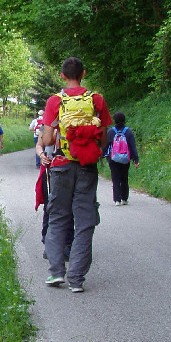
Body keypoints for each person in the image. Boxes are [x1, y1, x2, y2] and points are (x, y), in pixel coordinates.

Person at [35, 56, 111, 292]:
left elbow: (47, 139)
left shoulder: (55, 101)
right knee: (85, 222)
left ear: (62, 76)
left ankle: (57, 273)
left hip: (61, 166)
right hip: (87, 166)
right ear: (83, 73)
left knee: (58, 218)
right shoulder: (96, 100)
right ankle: (76, 279)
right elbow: (104, 137)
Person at [104, 111, 139, 205]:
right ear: (124, 119)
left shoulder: (111, 131)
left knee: (115, 179)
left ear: (114, 120)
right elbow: (132, 146)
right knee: (124, 178)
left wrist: (103, 155)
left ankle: (117, 200)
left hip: (113, 158)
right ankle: (124, 199)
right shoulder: (128, 131)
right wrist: (136, 159)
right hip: (125, 159)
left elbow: (106, 145)